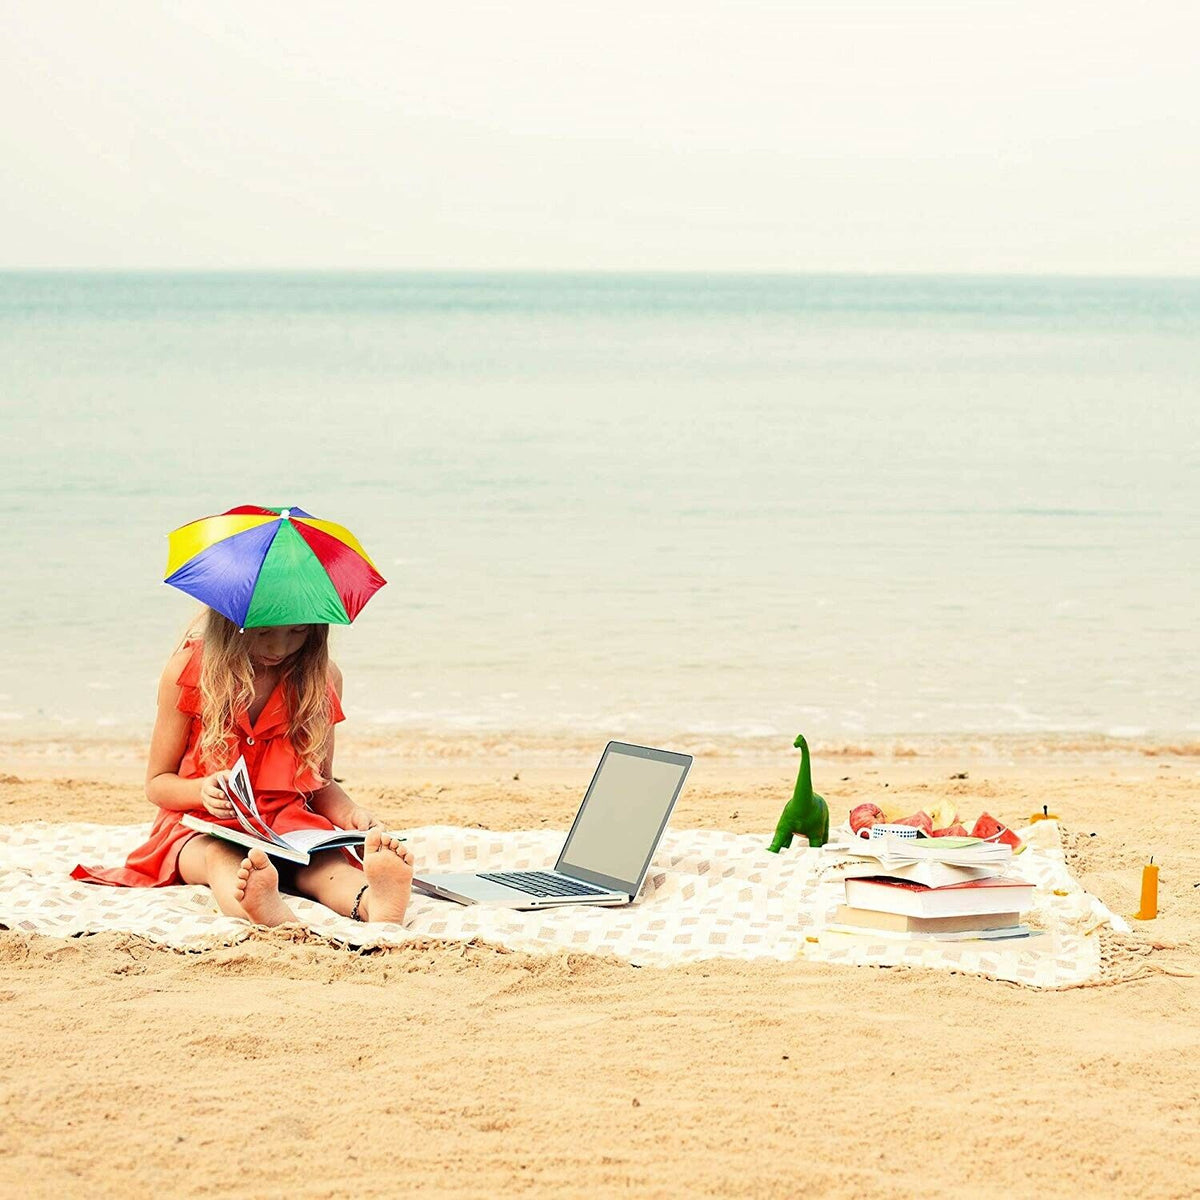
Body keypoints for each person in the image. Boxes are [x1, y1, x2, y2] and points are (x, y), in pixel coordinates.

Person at [72, 608, 413, 927]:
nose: (279, 647)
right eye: (263, 631)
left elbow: (319, 783)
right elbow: (157, 784)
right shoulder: (188, 670)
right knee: (222, 858)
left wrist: (351, 814)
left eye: (297, 631)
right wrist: (201, 791)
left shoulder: (320, 677)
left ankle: (374, 904)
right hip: (201, 827)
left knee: (326, 865)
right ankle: (261, 909)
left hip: (287, 828)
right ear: (228, 623)